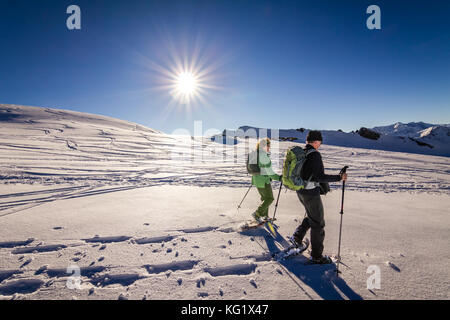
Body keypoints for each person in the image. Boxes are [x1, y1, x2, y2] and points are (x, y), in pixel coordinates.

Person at [292, 130, 347, 264]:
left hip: (300, 190)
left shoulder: (302, 152)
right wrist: (339, 178)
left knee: (312, 216)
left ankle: (297, 236)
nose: (320, 144)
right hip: (310, 193)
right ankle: (317, 256)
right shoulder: (314, 155)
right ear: (316, 142)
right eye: (320, 142)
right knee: (318, 223)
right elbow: (319, 176)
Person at [251, 138, 281, 222]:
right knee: (269, 198)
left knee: (265, 198)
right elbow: (270, 172)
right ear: (264, 146)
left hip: (256, 181)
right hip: (263, 181)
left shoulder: (256, 154)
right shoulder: (264, 156)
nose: (269, 148)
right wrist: (279, 178)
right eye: (268, 146)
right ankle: (257, 213)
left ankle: (265, 216)